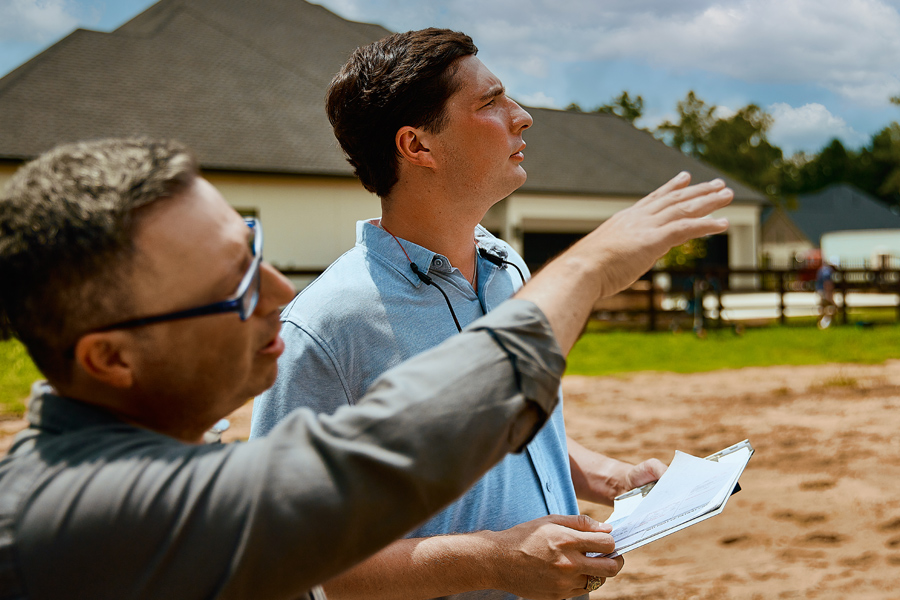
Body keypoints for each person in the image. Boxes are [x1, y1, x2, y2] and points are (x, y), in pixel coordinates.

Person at [0, 136, 731, 600]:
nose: (282, 292)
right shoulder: (86, 513)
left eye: (255, 247)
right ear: (111, 359)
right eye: (234, 285)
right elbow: (385, 453)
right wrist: (593, 267)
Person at [250, 28, 732, 600]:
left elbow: (507, 427)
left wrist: (609, 476)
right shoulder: (323, 327)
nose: (522, 116)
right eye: (490, 102)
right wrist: (490, 562)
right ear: (418, 147)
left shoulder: (509, 271)